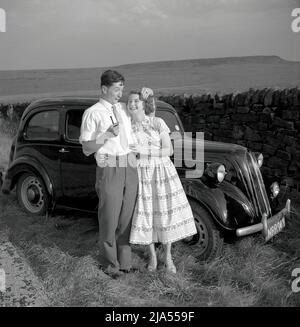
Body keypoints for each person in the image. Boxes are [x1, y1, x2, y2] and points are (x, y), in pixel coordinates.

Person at [79, 70, 152, 278]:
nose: (121, 92)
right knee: (110, 217)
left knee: (126, 217)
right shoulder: (92, 113)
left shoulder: (123, 108)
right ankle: (110, 265)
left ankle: (125, 263)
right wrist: (107, 135)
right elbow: (86, 148)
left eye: (122, 87)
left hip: (130, 163)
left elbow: (147, 114)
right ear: (104, 89)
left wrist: (148, 97)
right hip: (109, 165)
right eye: (117, 88)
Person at [127, 90, 197, 274]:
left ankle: (168, 256)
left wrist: (147, 151)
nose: (133, 104)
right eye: (131, 102)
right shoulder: (129, 127)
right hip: (141, 173)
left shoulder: (158, 123)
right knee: (147, 214)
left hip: (162, 172)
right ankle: (152, 256)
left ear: (144, 105)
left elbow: (169, 150)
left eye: (137, 102)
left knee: (166, 213)